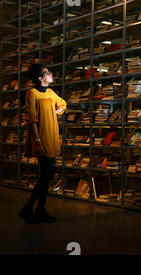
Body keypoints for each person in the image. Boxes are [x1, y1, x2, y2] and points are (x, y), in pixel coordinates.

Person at [19, 64, 67, 224]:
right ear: (40, 78)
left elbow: (63, 104)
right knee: (46, 174)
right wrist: (38, 142)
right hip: (41, 137)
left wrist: (52, 113)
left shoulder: (51, 92)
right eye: (48, 73)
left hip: (52, 135)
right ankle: (31, 208)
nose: (51, 74)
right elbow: (32, 120)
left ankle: (37, 210)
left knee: (48, 175)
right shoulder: (31, 93)